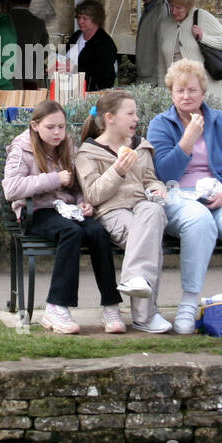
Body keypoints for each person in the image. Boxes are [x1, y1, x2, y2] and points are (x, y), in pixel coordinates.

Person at [148, 59, 222, 334]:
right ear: (171, 93)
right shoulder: (161, 124)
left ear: (203, 93)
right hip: (178, 195)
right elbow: (163, 172)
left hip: (217, 193)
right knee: (199, 221)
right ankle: (189, 301)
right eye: (179, 91)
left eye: (192, 90)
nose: (186, 96)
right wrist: (187, 140)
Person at [2, 99, 122, 334]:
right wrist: (54, 179)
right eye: (51, 127)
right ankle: (56, 307)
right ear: (35, 126)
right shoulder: (22, 148)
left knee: (97, 231)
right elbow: (11, 189)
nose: (57, 132)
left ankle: (111, 305)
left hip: (66, 209)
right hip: (36, 211)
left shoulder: (68, 147)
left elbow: (77, 187)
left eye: (62, 127)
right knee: (71, 232)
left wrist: (83, 203)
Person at [75, 89, 172, 333]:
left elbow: (151, 179)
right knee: (147, 238)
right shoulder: (87, 153)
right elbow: (94, 195)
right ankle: (145, 316)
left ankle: (133, 279)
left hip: (142, 205)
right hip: (112, 211)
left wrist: (158, 189)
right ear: (110, 118)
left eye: (136, 113)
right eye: (130, 113)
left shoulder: (140, 147)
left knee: (154, 212)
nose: (136, 119)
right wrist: (117, 170)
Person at [157, 0, 222, 105]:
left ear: (188, 6)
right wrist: (162, 90)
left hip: (206, 92)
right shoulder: (164, 25)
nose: (173, 11)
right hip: (177, 93)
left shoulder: (202, 17)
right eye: (171, 6)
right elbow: (161, 62)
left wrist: (204, 37)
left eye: (178, 8)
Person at [65, 0, 118, 91]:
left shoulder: (105, 43)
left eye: (85, 18)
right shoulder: (75, 36)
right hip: (67, 89)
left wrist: (75, 68)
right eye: (78, 17)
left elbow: (105, 77)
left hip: (91, 93)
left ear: (96, 20)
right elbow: (63, 56)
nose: (80, 21)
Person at [7, 0, 49, 89]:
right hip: (29, 75)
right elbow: (44, 51)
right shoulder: (39, 23)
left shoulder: (2, 22)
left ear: (9, 1)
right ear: (29, 2)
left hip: (6, 77)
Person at [135, 0, 169, 85]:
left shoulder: (165, 8)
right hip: (146, 79)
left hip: (156, 81)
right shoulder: (150, 7)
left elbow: (165, 47)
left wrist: (160, 83)